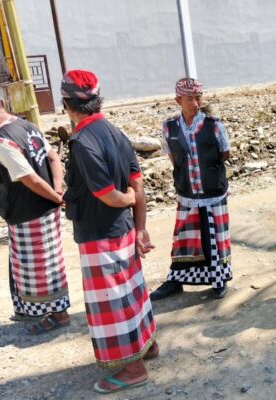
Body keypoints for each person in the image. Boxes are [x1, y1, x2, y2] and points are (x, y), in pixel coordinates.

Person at [61, 70, 158, 394]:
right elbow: (138, 183)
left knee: (112, 301)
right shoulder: (115, 133)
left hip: (100, 235)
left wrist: (126, 200)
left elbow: (110, 194)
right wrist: (140, 227)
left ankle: (134, 368)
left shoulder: (83, 141)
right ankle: (147, 345)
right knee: (132, 292)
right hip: (125, 231)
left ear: (67, 104)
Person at [0, 78, 71, 335]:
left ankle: (58, 315)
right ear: (1, 102)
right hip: (47, 206)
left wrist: (55, 196)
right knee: (50, 260)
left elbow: (30, 178)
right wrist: (57, 191)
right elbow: (53, 157)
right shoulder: (27, 125)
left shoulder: (2, 140)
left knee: (36, 266)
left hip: (29, 212)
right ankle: (37, 309)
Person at [149, 78, 233, 301]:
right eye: (190, 99)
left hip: (213, 193)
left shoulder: (214, 125)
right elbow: (173, 159)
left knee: (214, 236)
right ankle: (176, 281)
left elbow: (225, 154)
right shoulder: (169, 128)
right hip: (186, 193)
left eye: (198, 98)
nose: (195, 103)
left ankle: (219, 279)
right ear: (178, 100)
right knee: (184, 238)